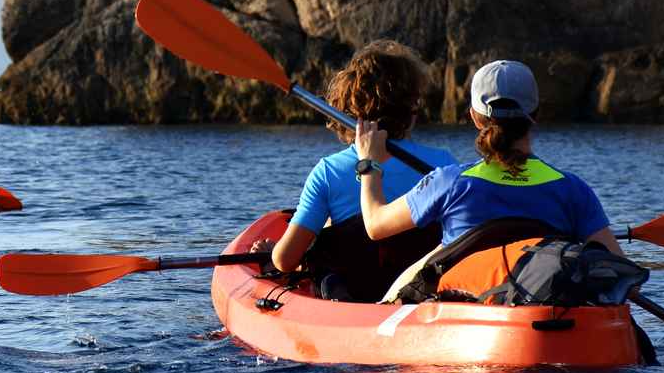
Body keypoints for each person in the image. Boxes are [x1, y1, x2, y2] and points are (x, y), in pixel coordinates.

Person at [356, 58, 625, 299]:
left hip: (466, 314)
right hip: (543, 307)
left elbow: (376, 225)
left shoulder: (449, 182)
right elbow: (625, 280)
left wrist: (369, 163)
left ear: (474, 117)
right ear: (537, 115)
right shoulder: (572, 189)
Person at [267, 40, 456, 276]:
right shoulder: (444, 164)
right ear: (412, 108)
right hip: (421, 292)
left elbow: (284, 260)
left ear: (347, 108)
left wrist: (273, 251)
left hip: (355, 296)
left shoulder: (328, 172)